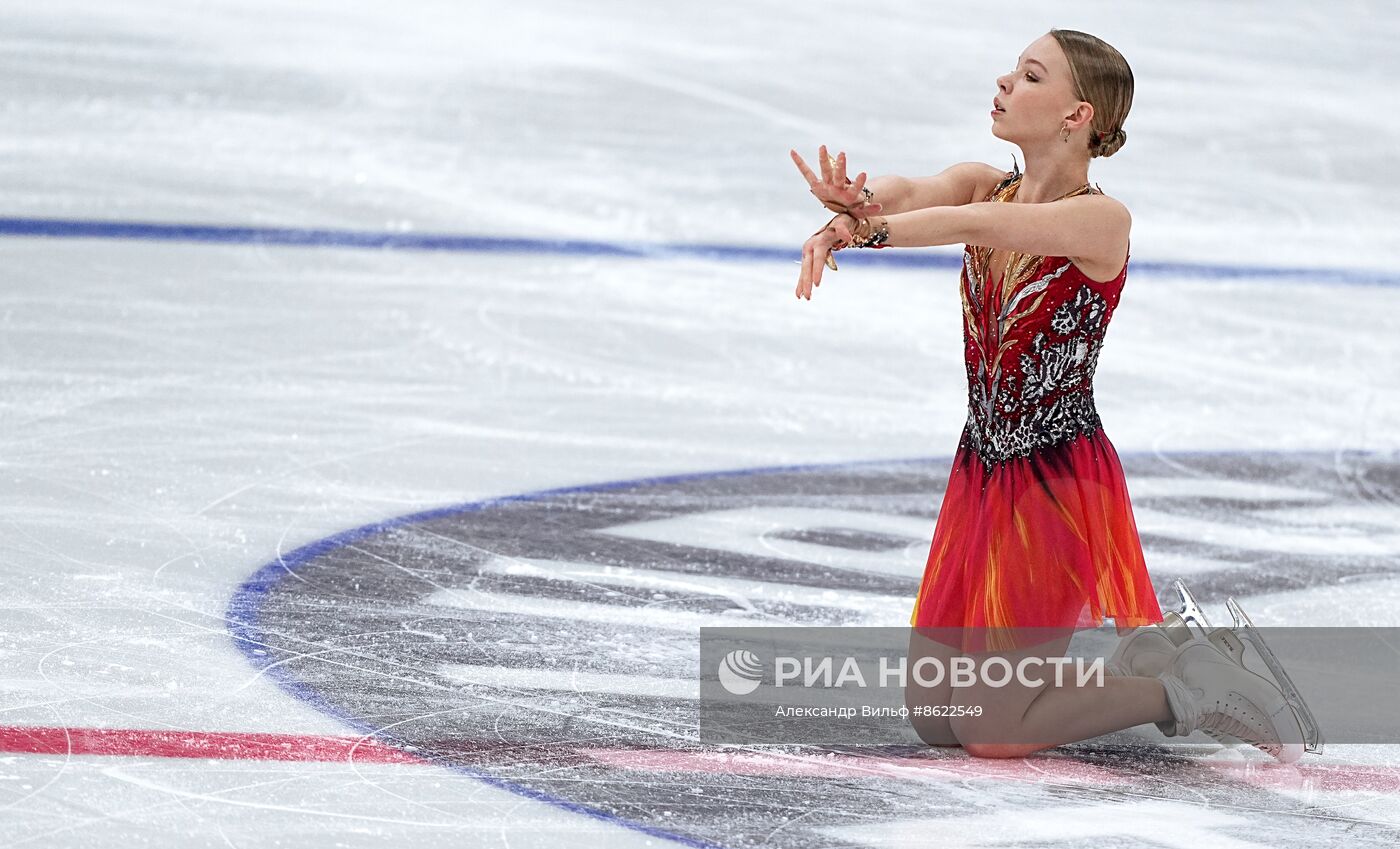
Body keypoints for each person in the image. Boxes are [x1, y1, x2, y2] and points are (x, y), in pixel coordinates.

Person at [788, 29, 1321, 762]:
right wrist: (846, 213)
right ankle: (1153, 659)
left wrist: (867, 230)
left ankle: (1189, 685)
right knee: (936, 713)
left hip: (1055, 480)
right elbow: (913, 193)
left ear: (1076, 116)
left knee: (993, 730)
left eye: (1030, 76)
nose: (1005, 83)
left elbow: (976, 226)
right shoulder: (984, 179)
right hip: (983, 467)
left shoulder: (1100, 221)